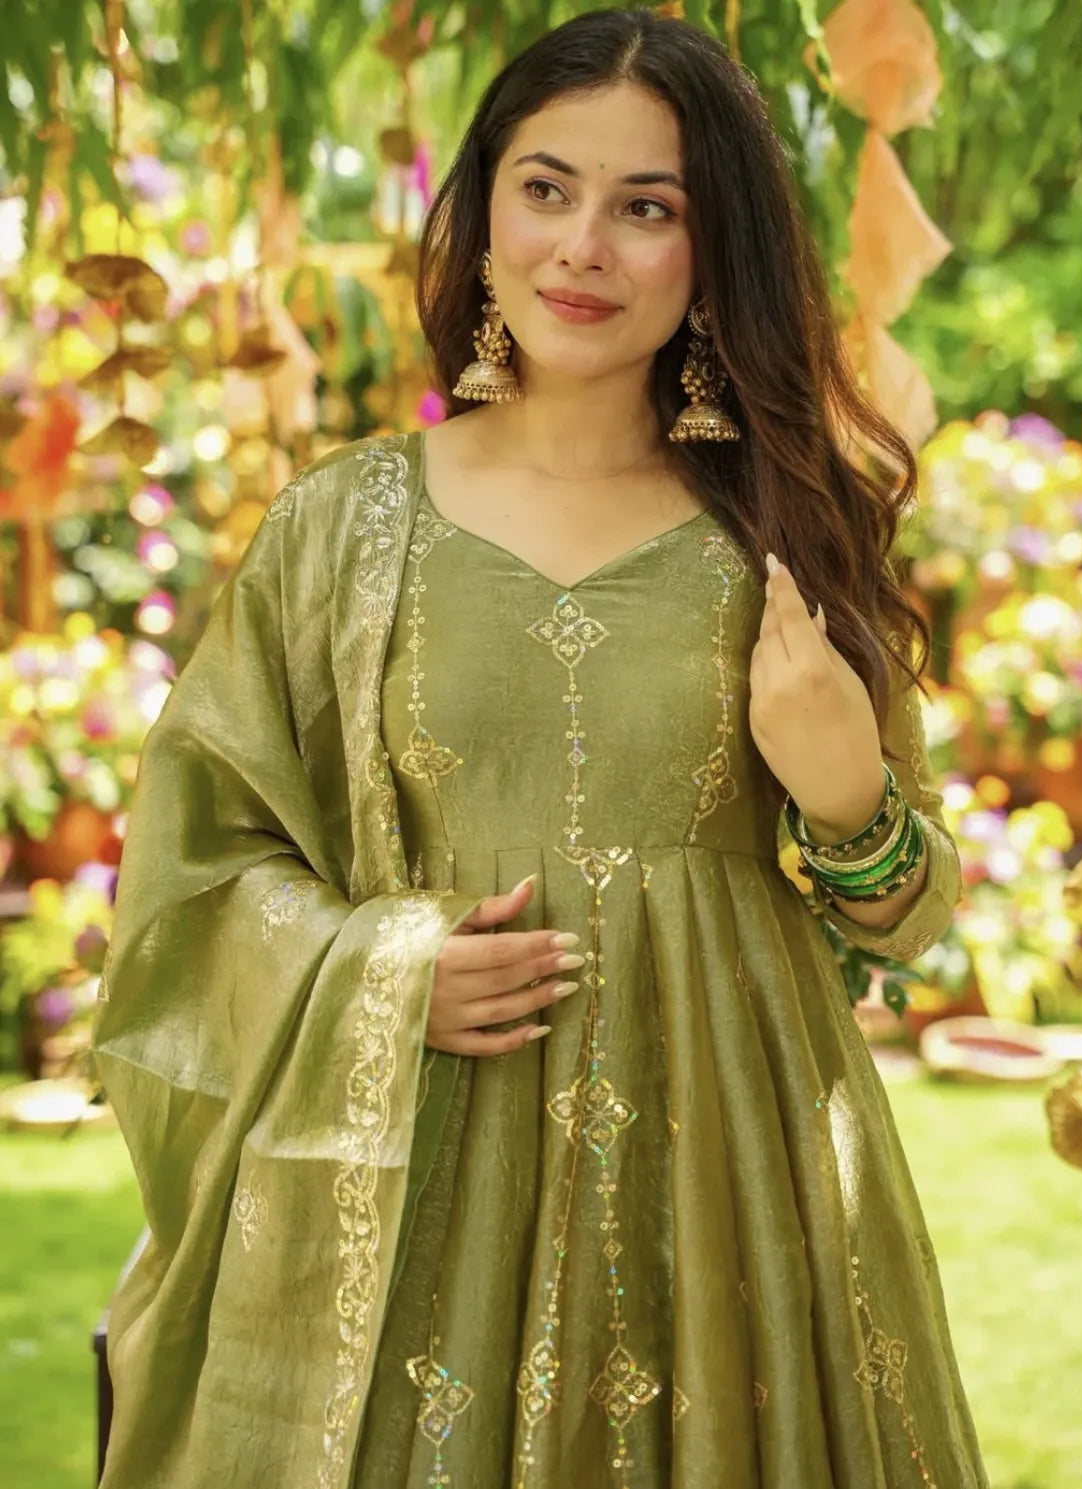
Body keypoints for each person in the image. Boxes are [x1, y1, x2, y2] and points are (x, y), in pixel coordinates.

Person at [94, 8, 989, 1486]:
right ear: (485, 210)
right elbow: (197, 864)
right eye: (546, 187)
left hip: (732, 1187)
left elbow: (915, 908)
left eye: (648, 209)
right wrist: (379, 974)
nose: (583, 247)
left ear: (714, 256)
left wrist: (845, 797)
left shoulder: (780, 527)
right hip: (429, 1169)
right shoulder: (344, 523)